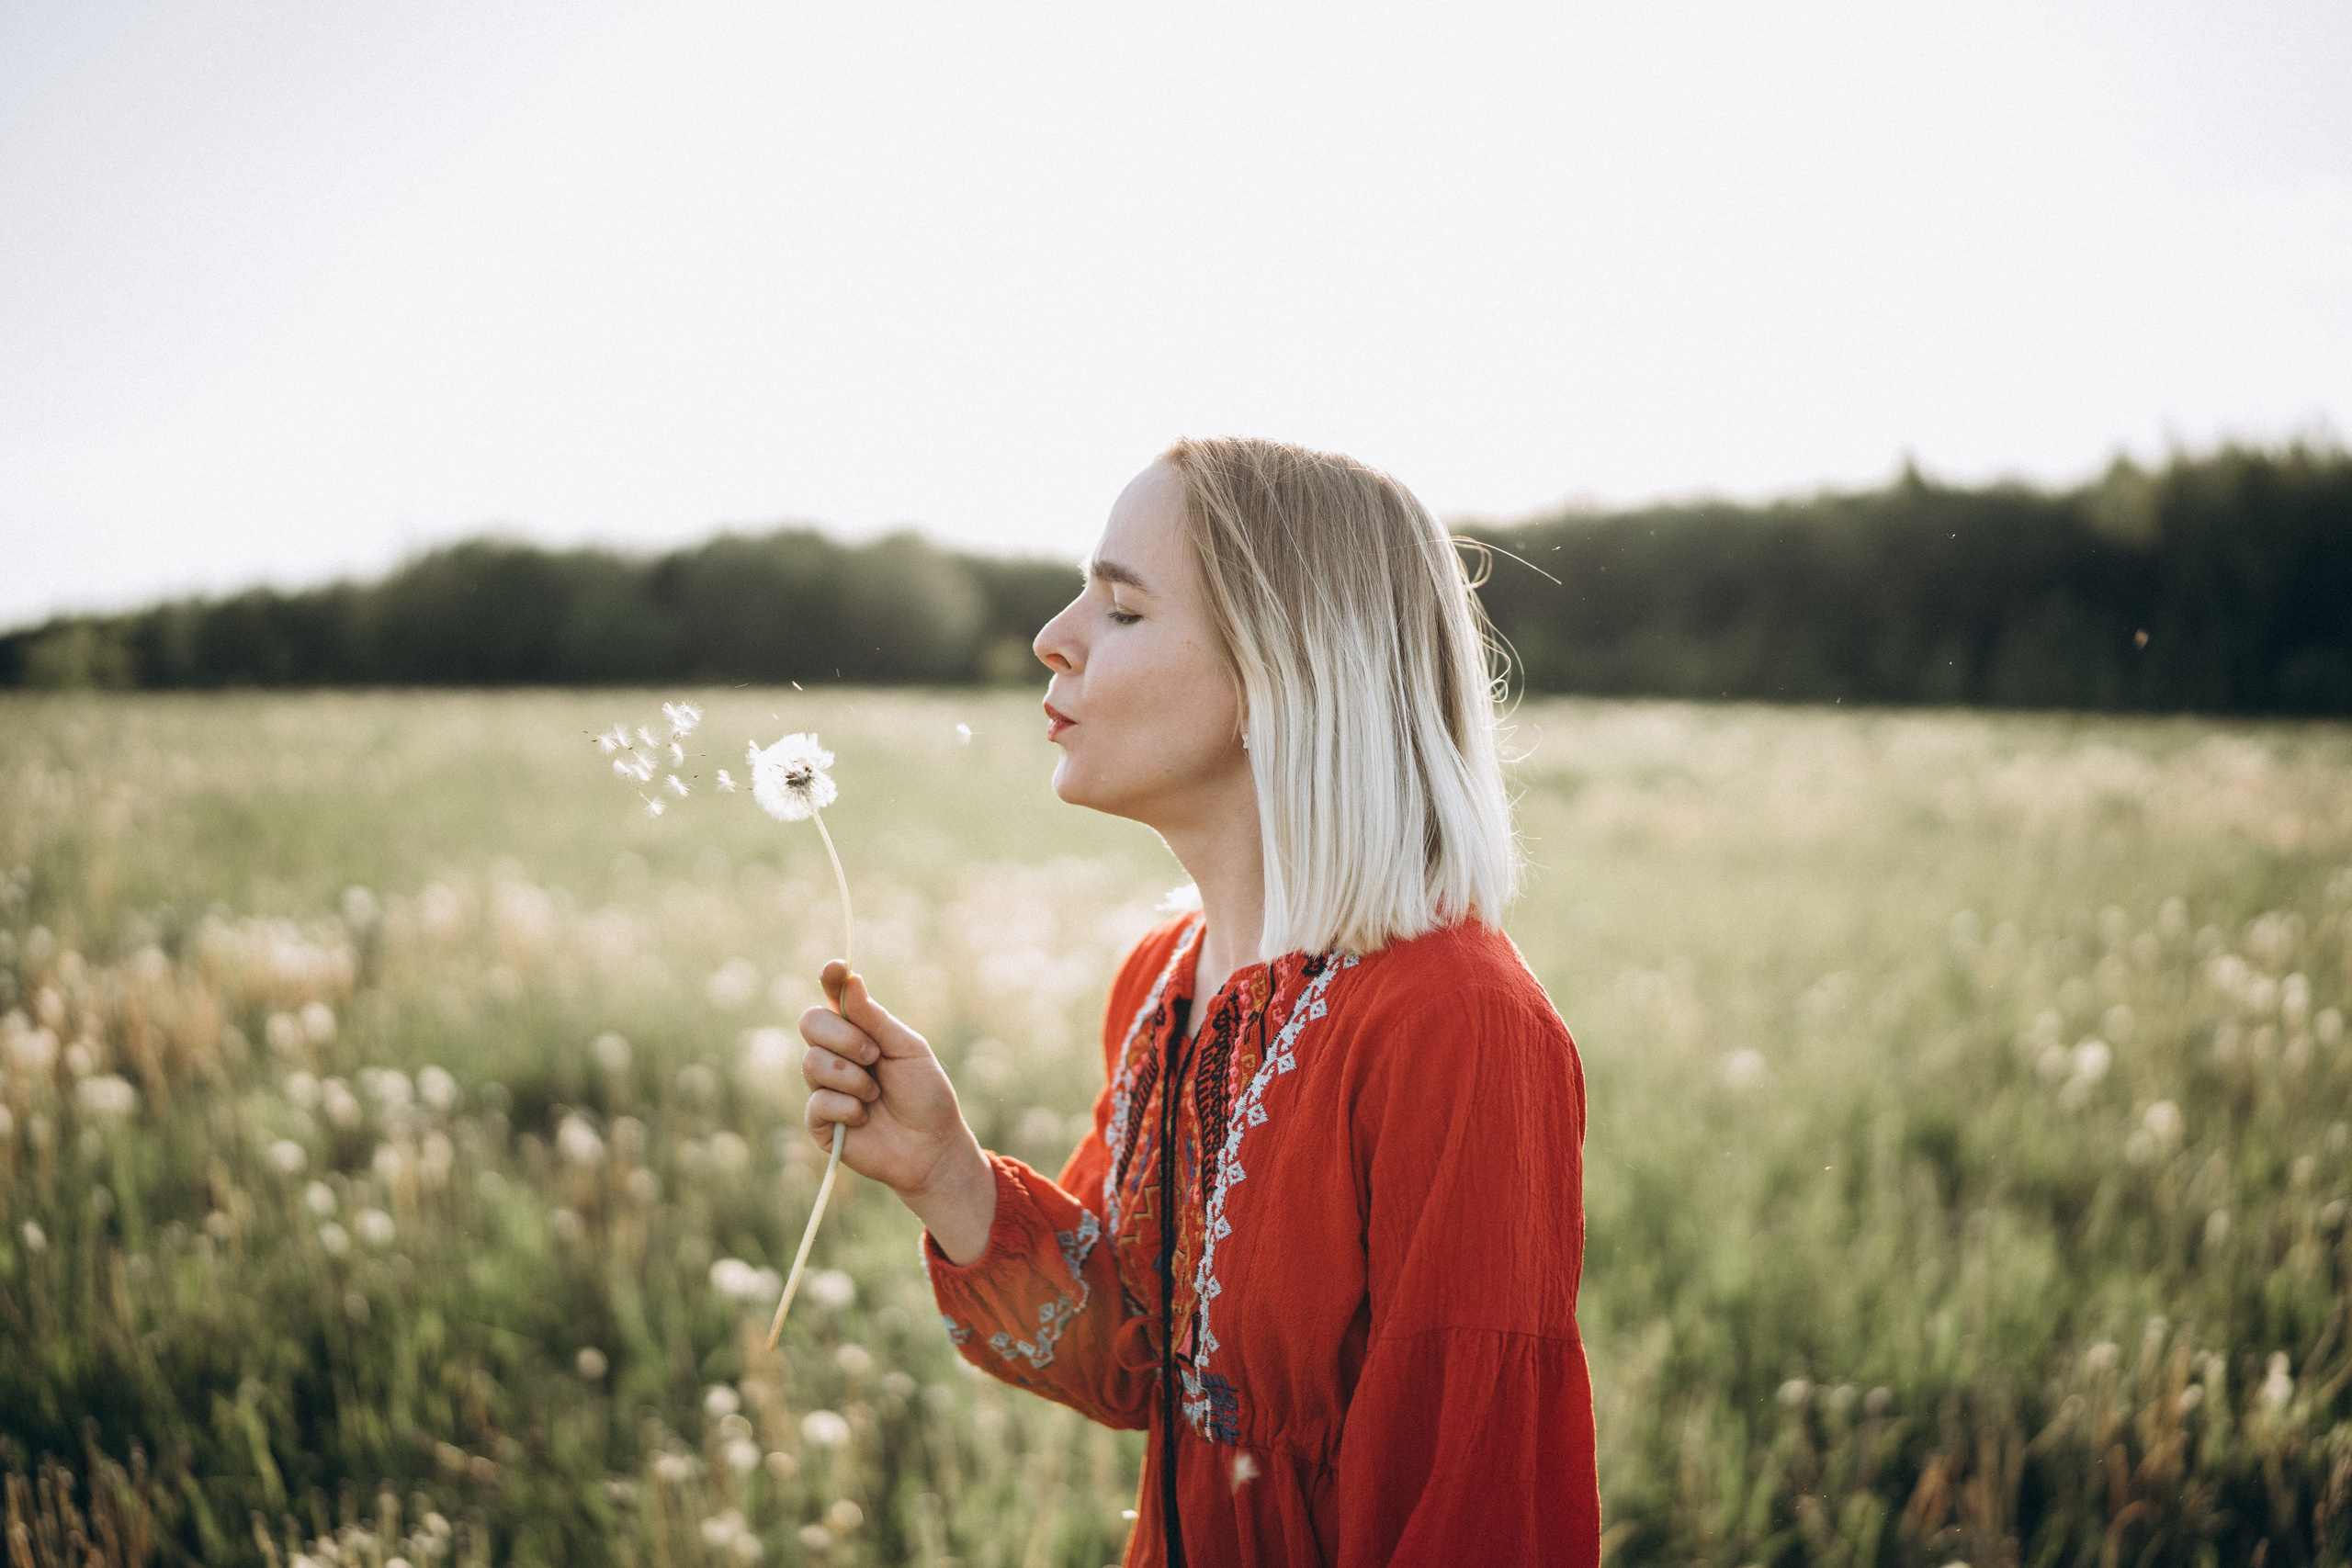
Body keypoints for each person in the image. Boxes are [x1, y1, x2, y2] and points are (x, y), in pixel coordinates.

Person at [797, 437, 1600, 1566]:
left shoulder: (1453, 1024)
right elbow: (1139, 1370)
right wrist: (946, 1174)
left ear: (1287, 668)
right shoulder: (1165, 980)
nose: (1052, 638)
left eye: (1121, 611)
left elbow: (1472, 1503)